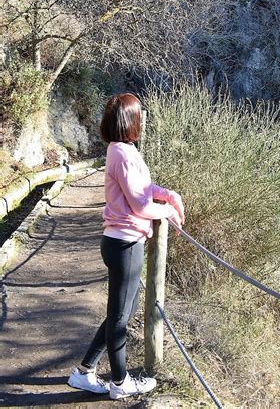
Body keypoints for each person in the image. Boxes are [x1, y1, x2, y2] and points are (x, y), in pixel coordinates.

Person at [67, 93, 185, 400]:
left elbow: (143, 189)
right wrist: (167, 211)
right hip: (124, 244)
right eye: (140, 114)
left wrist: (168, 194)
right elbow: (141, 204)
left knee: (123, 311)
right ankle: (120, 384)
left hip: (121, 241)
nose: (143, 118)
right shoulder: (121, 152)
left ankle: (84, 371)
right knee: (120, 316)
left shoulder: (123, 150)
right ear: (129, 120)